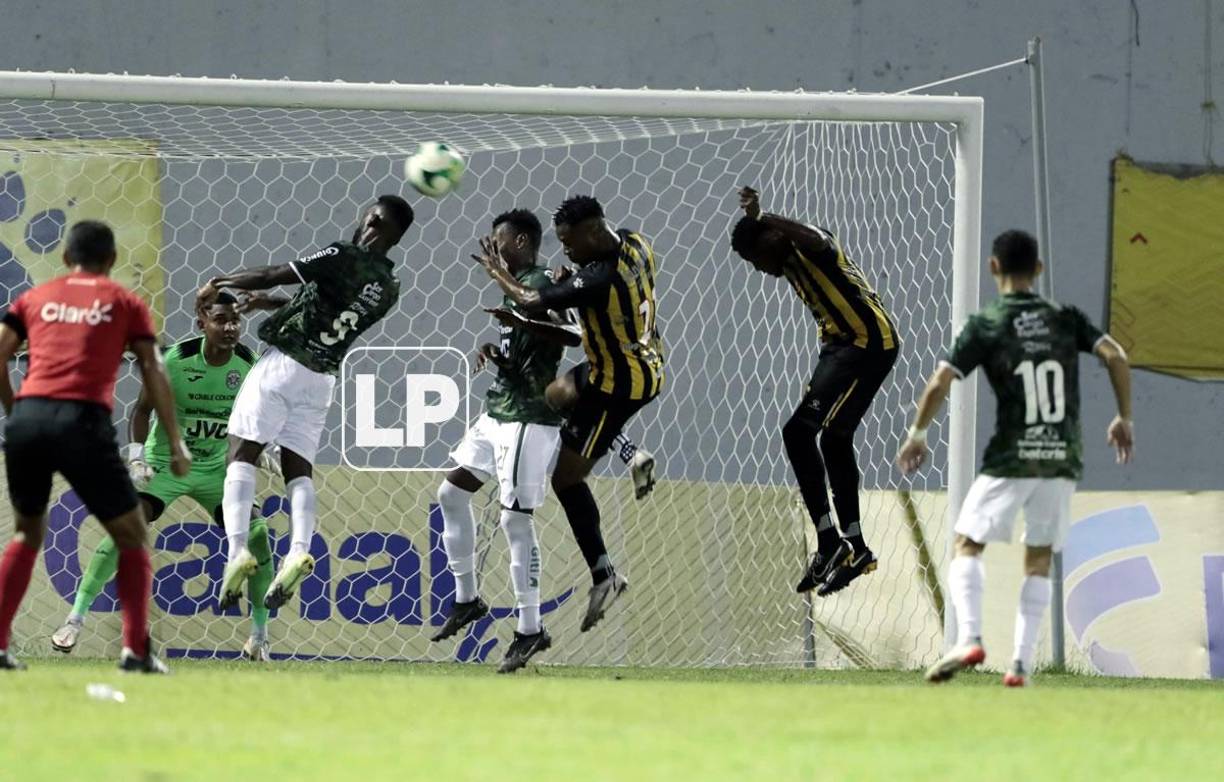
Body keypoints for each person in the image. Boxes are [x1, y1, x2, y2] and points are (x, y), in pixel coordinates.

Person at [896, 229, 1134, 687]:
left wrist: (917, 434)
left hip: (1011, 456)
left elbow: (940, 383)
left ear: (993, 268)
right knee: (1039, 558)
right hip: (1060, 457)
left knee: (967, 542)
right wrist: (1125, 418)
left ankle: (969, 638)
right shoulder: (1066, 317)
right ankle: (1021, 665)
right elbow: (1117, 357)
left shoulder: (986, 323)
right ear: (1039, 271)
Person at [199, 195, 412, 614]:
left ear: (372, 219)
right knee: (298, 471)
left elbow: (274, 273)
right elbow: (327, 304)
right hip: (321, 379)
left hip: (282, 366)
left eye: (366, 213)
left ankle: (238, 550)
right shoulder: (389, 287)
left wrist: (221, 282)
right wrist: (269, 304)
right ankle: (298, 550)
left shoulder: (341, 253)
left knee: (241, 454)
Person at [0, 220, 190, 672]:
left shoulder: (34, 298)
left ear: (65, 257)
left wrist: (15, 411)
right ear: (113, 260)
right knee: (131, 534)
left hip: (29, 420)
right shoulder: (124, 302)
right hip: (82, 421)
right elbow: (152, 370)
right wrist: (175, 441)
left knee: (27, 532)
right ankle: (135, 651)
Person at [50, 291, 279, 661]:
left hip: (217, 470)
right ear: (202, 322)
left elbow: (255, 417)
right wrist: (138, 457)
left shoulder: (249, 364)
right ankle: (74, 619)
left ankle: (259, 636)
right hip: (167, 464)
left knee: (257, 534)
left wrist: (264, 447)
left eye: (236, 320)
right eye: (221, 319)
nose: (230, 327)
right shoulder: (174, 360)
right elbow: (141, 411)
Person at [474, 195, 664, 631]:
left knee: (566, 477)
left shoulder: (601, 275)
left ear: (594, 232)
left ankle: (605, 575)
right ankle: (630, 453)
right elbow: (589, 288)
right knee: (556, 394)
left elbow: (532, 299)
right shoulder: (637, 243)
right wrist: (574, 279)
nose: (565, 251)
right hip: (642, 357)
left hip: (615, 384)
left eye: (570, 242)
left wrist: (498, 273)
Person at [731, 186, 899, 597]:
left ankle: (828, 542)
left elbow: (819, 240)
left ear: (771, 240)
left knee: (798, 431)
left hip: (865, 343)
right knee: (834, 437)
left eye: (755, 259)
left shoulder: (809, 246)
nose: (757, 269)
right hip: (840, 347)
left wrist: (765, 215)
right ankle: (855, 548)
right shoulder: (787, 263)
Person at [433, 209, 581, 673]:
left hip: (529, 419)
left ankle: (530, 629)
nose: (492, 251)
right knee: (451, 493)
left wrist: (522, 313)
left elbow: (573, 333)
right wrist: (495, 353)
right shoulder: (512, 288)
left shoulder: (544, 283)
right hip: (498, 411)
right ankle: (467, 599)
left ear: (519, 241)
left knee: (515, 521)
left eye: (498, 242)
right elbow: (525, 350)